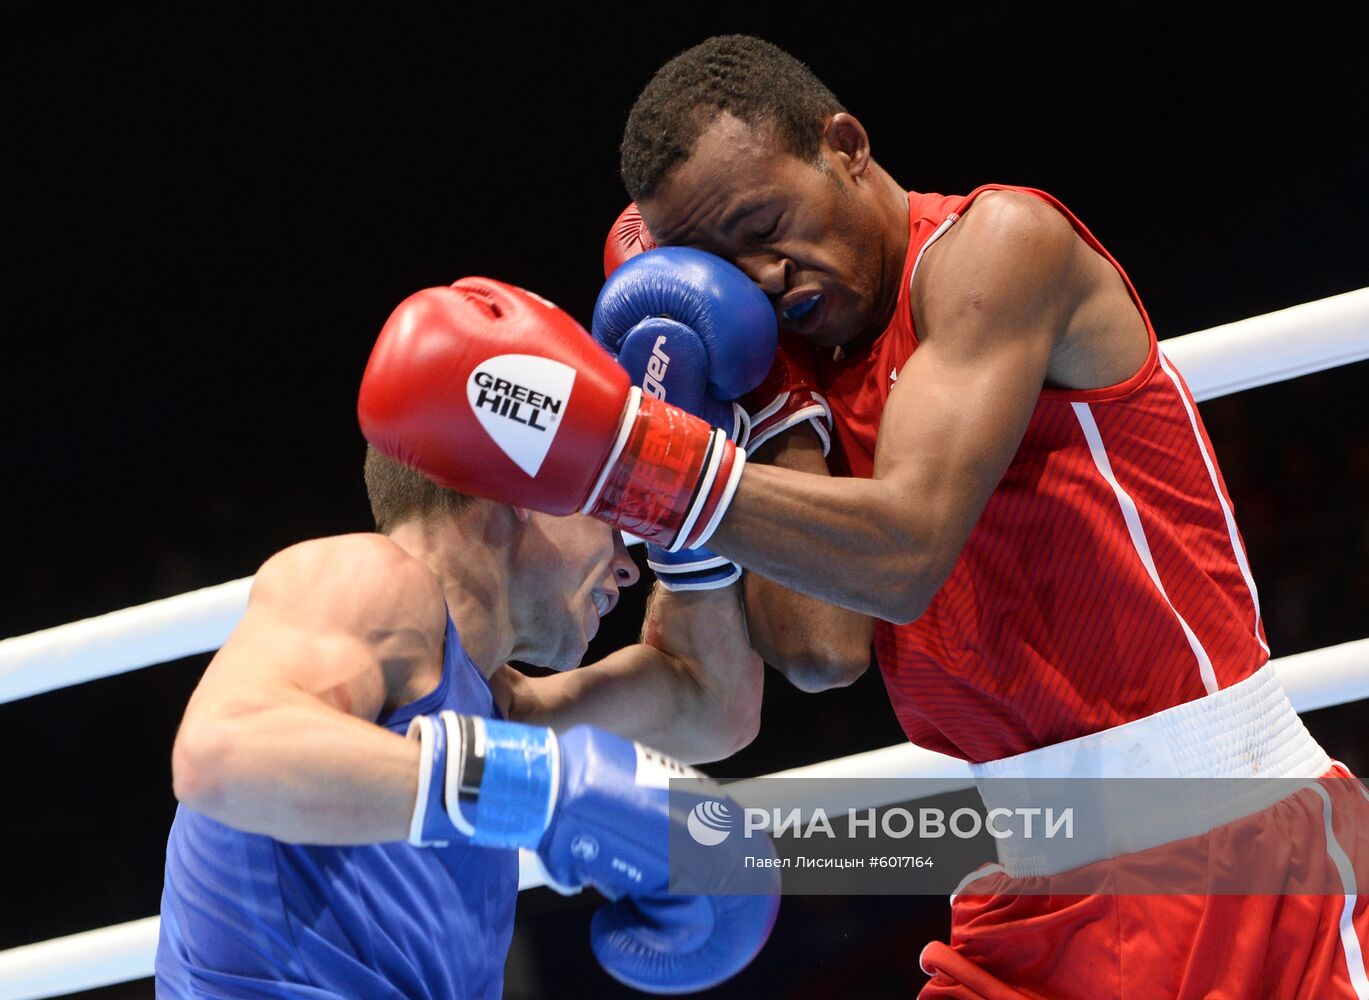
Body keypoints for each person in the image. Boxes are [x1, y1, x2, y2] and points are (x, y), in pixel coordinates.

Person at [357, 37, 1367, 999]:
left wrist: (640, 460)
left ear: (844, 146)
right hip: (1032, 879)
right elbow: (823, 647)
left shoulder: (997, 251)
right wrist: (764, 410)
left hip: (1231, 838)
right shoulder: (794, 367)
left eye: (761, 228)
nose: (758, 277)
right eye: (717, 262)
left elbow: (903, 553)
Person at [155, 440, 779, 997]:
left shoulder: (495, 709)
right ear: (520, 487)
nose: (626, 563)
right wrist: (532, 791)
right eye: (610, 518)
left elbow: (714, 705)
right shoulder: (367, 579)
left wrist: (694, 496)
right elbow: (220, 753)